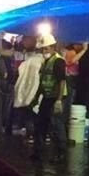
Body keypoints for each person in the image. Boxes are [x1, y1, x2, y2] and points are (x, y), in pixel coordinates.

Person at [32, 34, 67, 162]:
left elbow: (62, 81)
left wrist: (58, 100)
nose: (44, 51)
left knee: (56, 125)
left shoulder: (58, 61)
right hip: (47, 97)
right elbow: (43, 81)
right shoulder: (47, 61)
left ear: (53, 48)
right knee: (41, 125)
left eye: (46, 49)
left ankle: (60, 153)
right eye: (43, 49)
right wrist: (37, 97)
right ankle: (38, 152)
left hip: (55, 97)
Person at [0, 39, 18, 136]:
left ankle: (4, 127)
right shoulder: (13, 56)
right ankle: (7, 127)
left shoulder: (6, 56)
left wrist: (0, 39)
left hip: (6, 83)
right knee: (8, 107)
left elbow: (0, 50)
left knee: (3, 107)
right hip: (11, 83)